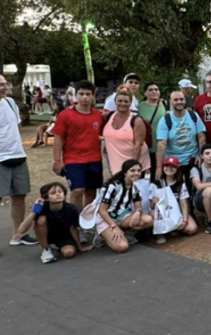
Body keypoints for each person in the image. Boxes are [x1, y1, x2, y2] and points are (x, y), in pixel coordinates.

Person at [0, 72, 37, 260]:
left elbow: (15, 128)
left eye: (6, 84)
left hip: (17, 156)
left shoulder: (10, 103)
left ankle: (18, 234)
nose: (5, 88)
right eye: (0, 85)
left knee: (19, 196)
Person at [51, 80, 104, 239]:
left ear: (93, 97)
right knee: (77, 191)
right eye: (81, 94)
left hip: (94, 159)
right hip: (73, 160)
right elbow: (58, 138)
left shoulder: (98, 115)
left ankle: (88, 223)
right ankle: (75, 224)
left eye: (88, 94)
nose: (85, 97)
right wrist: (57, 160)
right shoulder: (66, 114)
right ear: (76, 95)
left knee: (91, 191)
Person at [15, 182, 92, 263]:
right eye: (53, 193)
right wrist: (35, 210)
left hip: (64, 237)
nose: (58, 194)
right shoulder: (42, 208)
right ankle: (46, 249)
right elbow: (21, 230)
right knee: (41, 219)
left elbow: (73, 229)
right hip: (48, 235)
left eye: (60, 192)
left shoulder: (71, 209)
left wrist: (79, 247)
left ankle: (57, 246)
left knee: (69, 253)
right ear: (46, 198)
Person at [95, 159, 153, 252]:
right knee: (122, 247)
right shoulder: (113, 186)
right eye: (132, 170)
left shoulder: (135, 188)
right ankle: (102, 236)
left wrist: (138, 212)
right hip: (106, 219)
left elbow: (138, 207)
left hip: (122, 217)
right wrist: (113, 226)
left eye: (138, 171)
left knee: (148, 220)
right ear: (125, 172)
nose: (136, 173)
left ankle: (126, 233)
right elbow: (102, 210)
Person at [155, 91, 206, 182]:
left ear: (185, 100)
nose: (179, 102)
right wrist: (159, 167)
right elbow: (161, 145)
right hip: (173, 163)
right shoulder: (165, 120)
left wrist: (201, 155)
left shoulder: (193, 116)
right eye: (176, 100)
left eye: (181, 99)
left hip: (193, 161)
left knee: (193, 189)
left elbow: (201, 137)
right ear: (171, 101)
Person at [103, 87, 150, 175]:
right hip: (116, 162)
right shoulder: (109, 116)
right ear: (115, 102)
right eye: (120, 101)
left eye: (126, 101)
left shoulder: (136, 120)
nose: (122, 104)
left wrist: (133, 167)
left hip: (134, 163)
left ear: (130, 103)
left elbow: (138, 145)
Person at [150, 157, 197, 243]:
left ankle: (173, 229)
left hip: (176, 212)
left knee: (192, 229)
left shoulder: (180, 184)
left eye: (173, 166)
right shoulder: (156, 184)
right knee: (153, 213)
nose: (169, 168)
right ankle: (160, 233)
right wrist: (153, 202)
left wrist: (185, 221)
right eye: (167, 166)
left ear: (177, 168)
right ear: (163, 167)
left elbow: (184, 204)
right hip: (162, 213)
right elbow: (151, 207)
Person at [138, 82, 169, 172]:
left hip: (163, 145)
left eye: (156, 89)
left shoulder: (165, 104)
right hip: (147, 146)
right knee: (148, 174)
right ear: (145, 93)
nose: (154, 92)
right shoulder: (140, 106)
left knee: (163, 172)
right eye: (150, 90)